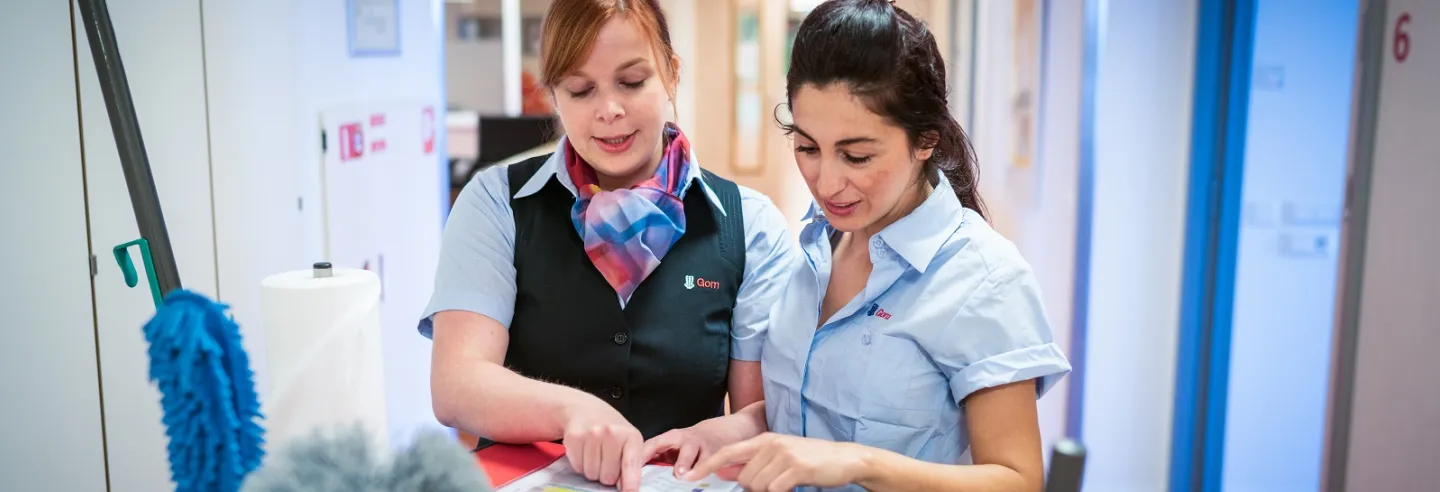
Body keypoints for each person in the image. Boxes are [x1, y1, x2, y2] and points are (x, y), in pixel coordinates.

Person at [642, 1, 1071, 490]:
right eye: (807, 148)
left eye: (857, 155)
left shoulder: (984, 279)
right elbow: (816, 412)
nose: (826, 183)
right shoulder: (817, 247)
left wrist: (859, 463)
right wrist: (740, 429)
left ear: (925, 140)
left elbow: (1017, 480)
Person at [419, 1, 798, 492]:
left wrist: (728, 430)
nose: (609, 110)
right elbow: (456, 383)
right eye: (580, 90)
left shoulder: (748, 223)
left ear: (671, 76)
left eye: (632, 82)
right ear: (553, 94)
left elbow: (761, 412)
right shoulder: (497, 203)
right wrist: (571, 410)